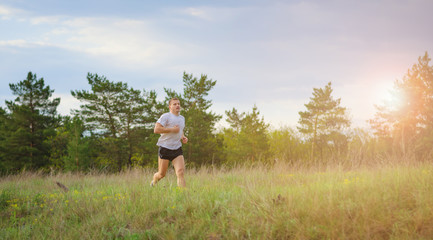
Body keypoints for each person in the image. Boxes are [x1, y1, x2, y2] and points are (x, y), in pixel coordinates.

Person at [151, 97, 188, 188]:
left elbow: (180, 131)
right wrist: (172, 130)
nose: (177, 105)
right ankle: (153, 182)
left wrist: (183, 137)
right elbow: (156, 129)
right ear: (170, 107)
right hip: (165, 148)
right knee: (161, 174)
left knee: (180, 172)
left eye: (178, 104)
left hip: (177, 148)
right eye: (174, 104)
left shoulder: (182, 118)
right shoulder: (166, 116)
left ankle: (182, 195)